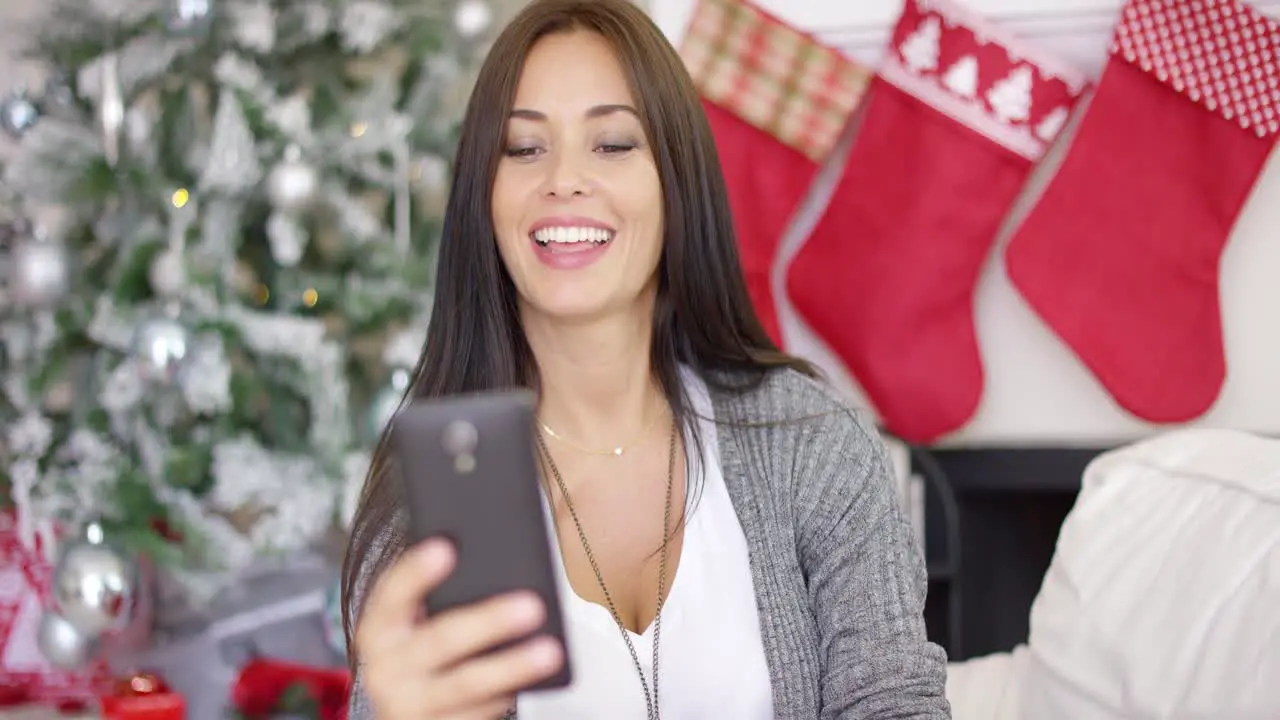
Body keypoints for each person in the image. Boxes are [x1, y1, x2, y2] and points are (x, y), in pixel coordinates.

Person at [341, 0, 951, 718]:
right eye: (524, 148)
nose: (563, 179)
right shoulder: (424, 508)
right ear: (486, 196)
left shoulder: (809, 443)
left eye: (613, 144)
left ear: (675, 182)